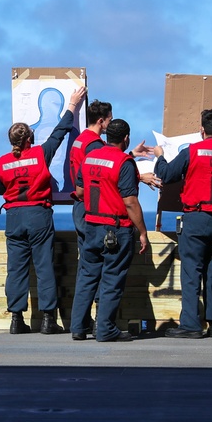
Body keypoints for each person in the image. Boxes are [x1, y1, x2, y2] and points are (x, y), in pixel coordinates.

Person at [0, 85, 86, 334]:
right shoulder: (40, 154)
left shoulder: (2, 162)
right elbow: (59, 133)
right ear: (29, 139)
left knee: (15, 270)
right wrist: (72, 105)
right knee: (44, 267)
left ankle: (16, 320)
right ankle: (48, 320)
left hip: (14, 217)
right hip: (39, 215)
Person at [153, 107, 212, 338]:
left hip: (196, 219)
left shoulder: (192, 151)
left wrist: (158, 156)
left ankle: (191, 325)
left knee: (191, 272)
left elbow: (166, 174)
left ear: (201, 130)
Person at [67, 100, 159, 338]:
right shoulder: (124, 163)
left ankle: (78, 328)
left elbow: (78, 192)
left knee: (87, 277)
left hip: (92, 225)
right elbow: (130, 201)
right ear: (126, 139)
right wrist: (142, 232)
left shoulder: (91, 157)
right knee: (111, 279)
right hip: (115, 229)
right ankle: (105, 328)